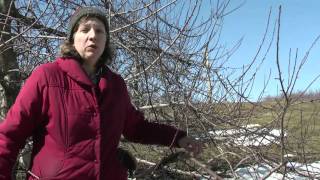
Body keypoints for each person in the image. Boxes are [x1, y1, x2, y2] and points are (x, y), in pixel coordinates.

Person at [0, 7, 203, 180]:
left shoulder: (116, 85)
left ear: (106, 41)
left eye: (99, 31)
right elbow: (9, 136)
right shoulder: (47, 77)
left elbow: (137, 128)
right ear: (73, 38)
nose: (92, 36)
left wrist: (178, 138)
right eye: (85, 29)